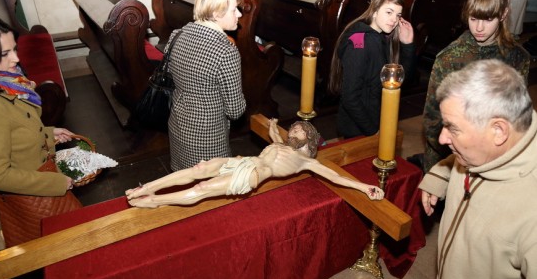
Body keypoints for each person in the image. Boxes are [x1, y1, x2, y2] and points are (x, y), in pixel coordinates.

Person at [419, 59, 537, 279]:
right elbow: (463, 161)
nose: (442, 138)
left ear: (498, 131)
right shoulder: (492, 145)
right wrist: (440, 175)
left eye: (453, 128)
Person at [126, 119, 384, 208]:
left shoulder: (306, 161)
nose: (292, 131)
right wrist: (273, 126)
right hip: (245, 161)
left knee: (203, 188)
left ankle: (155, 201)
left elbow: (336, 177)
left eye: (298, 130)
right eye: (293, 128)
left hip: (256, 173)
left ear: (310, 138)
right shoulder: (283, 144)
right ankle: (146, 187)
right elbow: (274, 135)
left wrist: (365, 187)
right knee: (199, 169)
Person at [0, 14, 79, 247]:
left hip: (41, 179)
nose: (16, 58)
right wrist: (55, 183)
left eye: (14, 49)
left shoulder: (7, 82)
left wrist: (48, 133)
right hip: (33, 196)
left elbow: (15, 128)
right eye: (5, 54)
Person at [421, 0, 530, 173]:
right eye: (473, 19)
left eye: (488, 20)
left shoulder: (517, 58)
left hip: (496, 156)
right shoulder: (450, 58)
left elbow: (517, 116)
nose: (479, 28)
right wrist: (462, 154)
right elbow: (432, 119)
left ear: (503, 14)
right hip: (449, 157)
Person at [164, 0, 246, 171]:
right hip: (207, 136)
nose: (239, 14)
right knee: (210, 183)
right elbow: (235, 110)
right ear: (217, 13)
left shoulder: (177, 35)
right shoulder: (226, 51)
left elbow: (171, 74)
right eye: (234, 10)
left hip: (178, 124)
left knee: (183, 178)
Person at [328, 0, 415, 139]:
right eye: (389, 12)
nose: (394, 20)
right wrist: (372, 131)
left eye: (398, 15)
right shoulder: (359, 42)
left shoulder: (382, 38)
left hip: (376, 120)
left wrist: (407, 45)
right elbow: (350, 97)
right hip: (358, 129)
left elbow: (399, 81)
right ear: (374, 11)